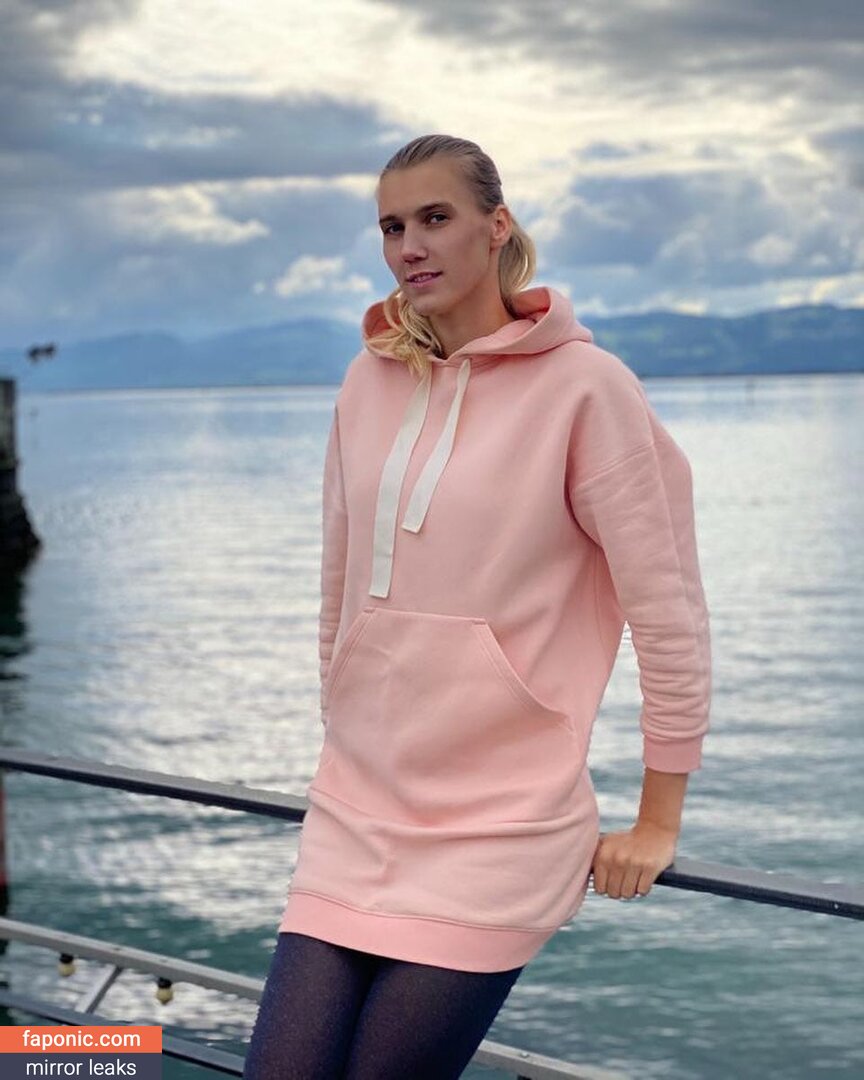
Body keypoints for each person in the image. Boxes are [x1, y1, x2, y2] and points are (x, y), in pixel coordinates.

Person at [243, 133, 712, 1079]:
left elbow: (668, 615)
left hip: (502, 827)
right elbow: (339, 585)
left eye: (435, 218)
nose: (410, 245)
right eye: (391, 227)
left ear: (497, 227)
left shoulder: (587, 390)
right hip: (355, 810)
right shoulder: (367, 380)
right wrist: (345, 716)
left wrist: (657, 820)